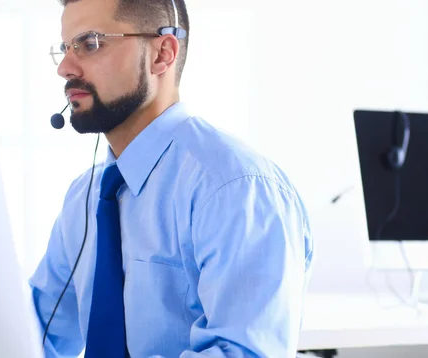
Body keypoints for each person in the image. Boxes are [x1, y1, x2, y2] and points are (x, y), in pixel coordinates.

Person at [29, 0, 314, 357]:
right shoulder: (83, 199)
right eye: (64, 48)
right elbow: (34, 335)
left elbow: (242, 352)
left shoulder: (236, 189)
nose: (66, 68)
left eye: (90, 44)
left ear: (162, 54)